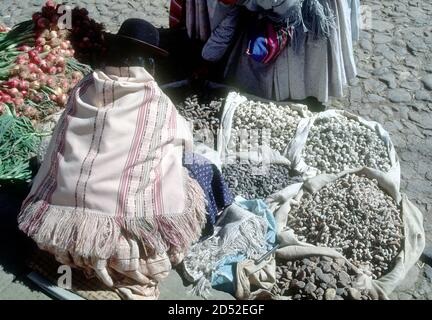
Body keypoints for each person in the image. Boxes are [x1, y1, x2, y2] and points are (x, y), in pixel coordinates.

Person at [18, 18, 231, 300]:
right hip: (113, 240)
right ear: (150, 63)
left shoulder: (83, 88)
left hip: (58, 231)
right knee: (198, 170)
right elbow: (183, 144)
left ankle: (77, 252)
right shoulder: (156, 102)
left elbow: (61, 138)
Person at [171, 0, 358, 103]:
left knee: (304, 59)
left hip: (300, 11)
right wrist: (207, 59)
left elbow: (287, 6)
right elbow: (227, 23)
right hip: (272, 7)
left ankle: (303, 96)